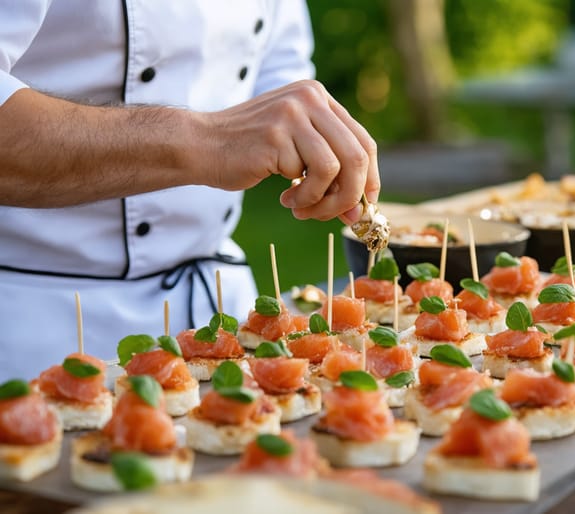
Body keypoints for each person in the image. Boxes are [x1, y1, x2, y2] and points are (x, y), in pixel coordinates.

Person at [0, 2, 379, 380]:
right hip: (40, 331)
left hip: (221, 317)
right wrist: (207, 143)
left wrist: (313, 141)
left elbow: (280, 75)